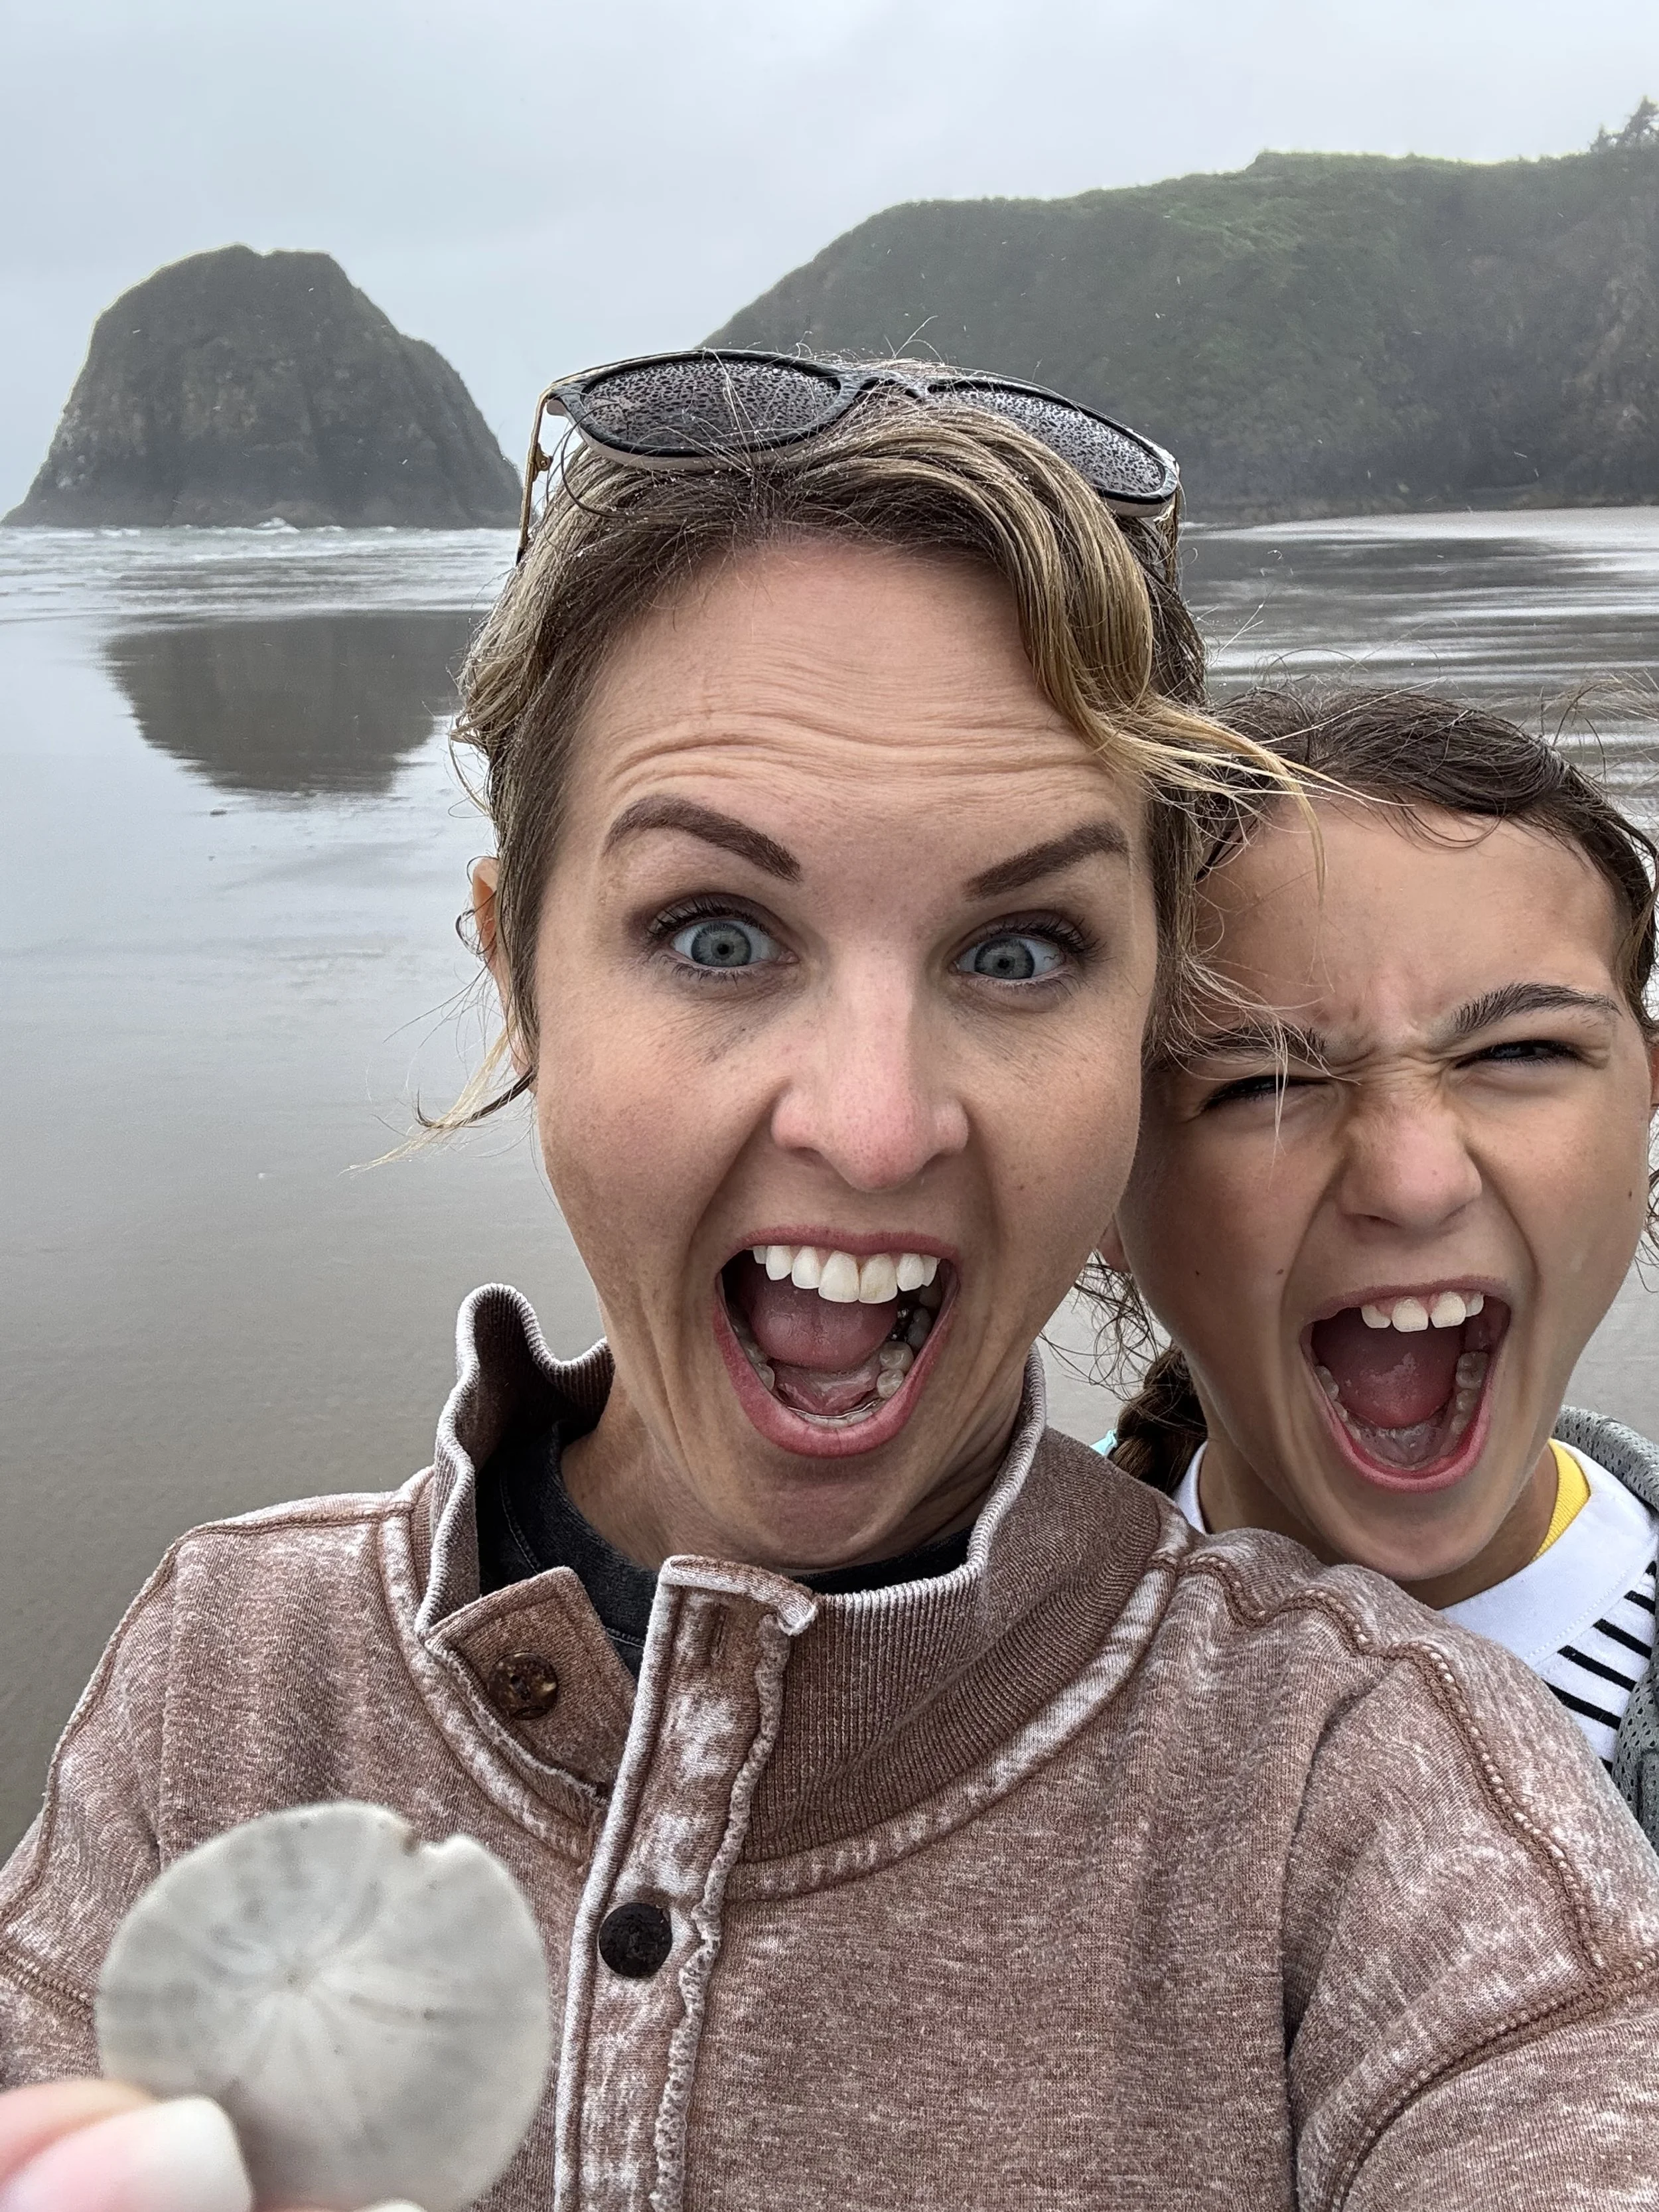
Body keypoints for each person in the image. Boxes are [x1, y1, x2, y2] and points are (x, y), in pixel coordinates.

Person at [2, 359, 1658, 2212]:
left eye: (1020, 948)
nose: (875, 1127)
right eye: (716, 933)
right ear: (516, 966)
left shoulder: (1367, 1783)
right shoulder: (228, 1679)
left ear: (1140, 1030)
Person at [1104, 684, 1659, 1845]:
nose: (1413, 1182)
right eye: (1260, 1084)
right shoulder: (937, 1706)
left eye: (1521, 1050)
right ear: (1095, 1178)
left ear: (1647, 1094)